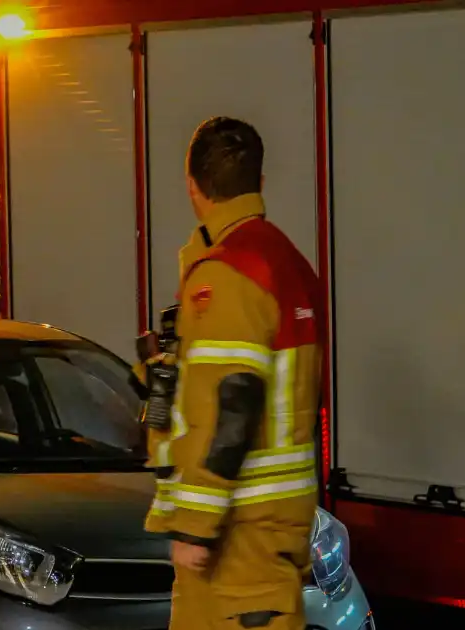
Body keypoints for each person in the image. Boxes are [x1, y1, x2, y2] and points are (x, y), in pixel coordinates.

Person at [140, 117, 322, 630]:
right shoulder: (283, 260)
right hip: (268, 528)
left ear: (191, 184)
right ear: (259, 182)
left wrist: (195, 526)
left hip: (236, 537)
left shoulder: (228, 273)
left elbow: (232, 403)